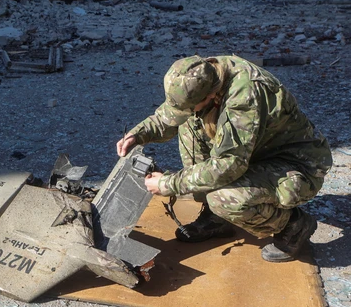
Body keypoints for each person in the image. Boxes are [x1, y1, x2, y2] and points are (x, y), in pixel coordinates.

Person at [116, 55, 332, 262]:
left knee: (224, 198)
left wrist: (168, 183)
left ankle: (293, 226)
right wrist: (139, 134)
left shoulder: (244, 98)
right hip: (256, 154)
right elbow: (173, 114)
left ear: (211, 95)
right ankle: (216, 219)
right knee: (190, 124)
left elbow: (229, 165)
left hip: (297, 166)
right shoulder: (203, 74)